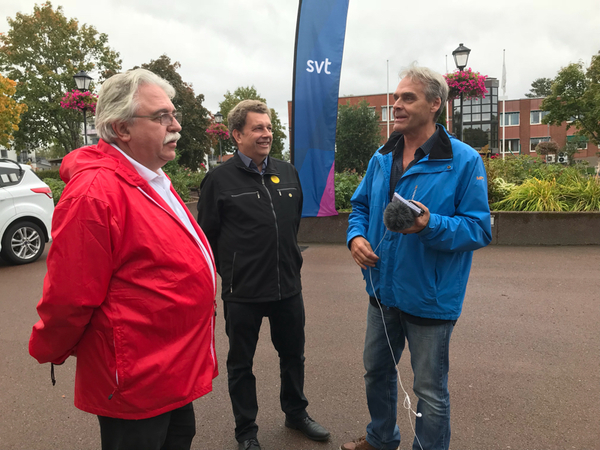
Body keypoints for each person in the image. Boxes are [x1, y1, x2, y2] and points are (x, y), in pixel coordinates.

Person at [29, 69, 218, 450]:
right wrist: (48, 347)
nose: (176, 125)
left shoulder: (150, 177)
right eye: (162, 116)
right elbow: (70, 295)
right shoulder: (95, 194)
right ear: (122, 129)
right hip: (136, 380)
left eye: (173, 113)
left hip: (170, 368)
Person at [342, 65, 492, 450]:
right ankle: (380, 439)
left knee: (429, 391)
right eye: (396, 98)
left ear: (435, 104)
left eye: (408, 98)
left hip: (430, 297)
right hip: (382, 291)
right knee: (376, 372)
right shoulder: (382, 155)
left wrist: (429, 225)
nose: (397, 105)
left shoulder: (464, 160)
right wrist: (355, 236)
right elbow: (359, 206)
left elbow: (478, 229)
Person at [197, 100, 329, 450]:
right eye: (258, 128)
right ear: (237, 134)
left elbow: (291, 223)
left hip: (288, 285)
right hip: (242, 291)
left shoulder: (287, 172)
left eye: (269, 127)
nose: (266, 134)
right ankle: (246, 431)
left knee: (293, 356)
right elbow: (206, 237)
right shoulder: (218, 180)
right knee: (241, 363)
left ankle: (296, 413)